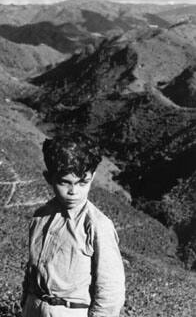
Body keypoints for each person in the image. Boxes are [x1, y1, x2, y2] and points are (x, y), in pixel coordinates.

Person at [21, 135, 125, 317]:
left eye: (82, 182)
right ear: (49, 178)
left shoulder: (97, 225)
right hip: (33, 307)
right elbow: (32, 269)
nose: (73, 191)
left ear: (92, 178)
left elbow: (111, 289)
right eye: (65, 182)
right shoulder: (40, 217)